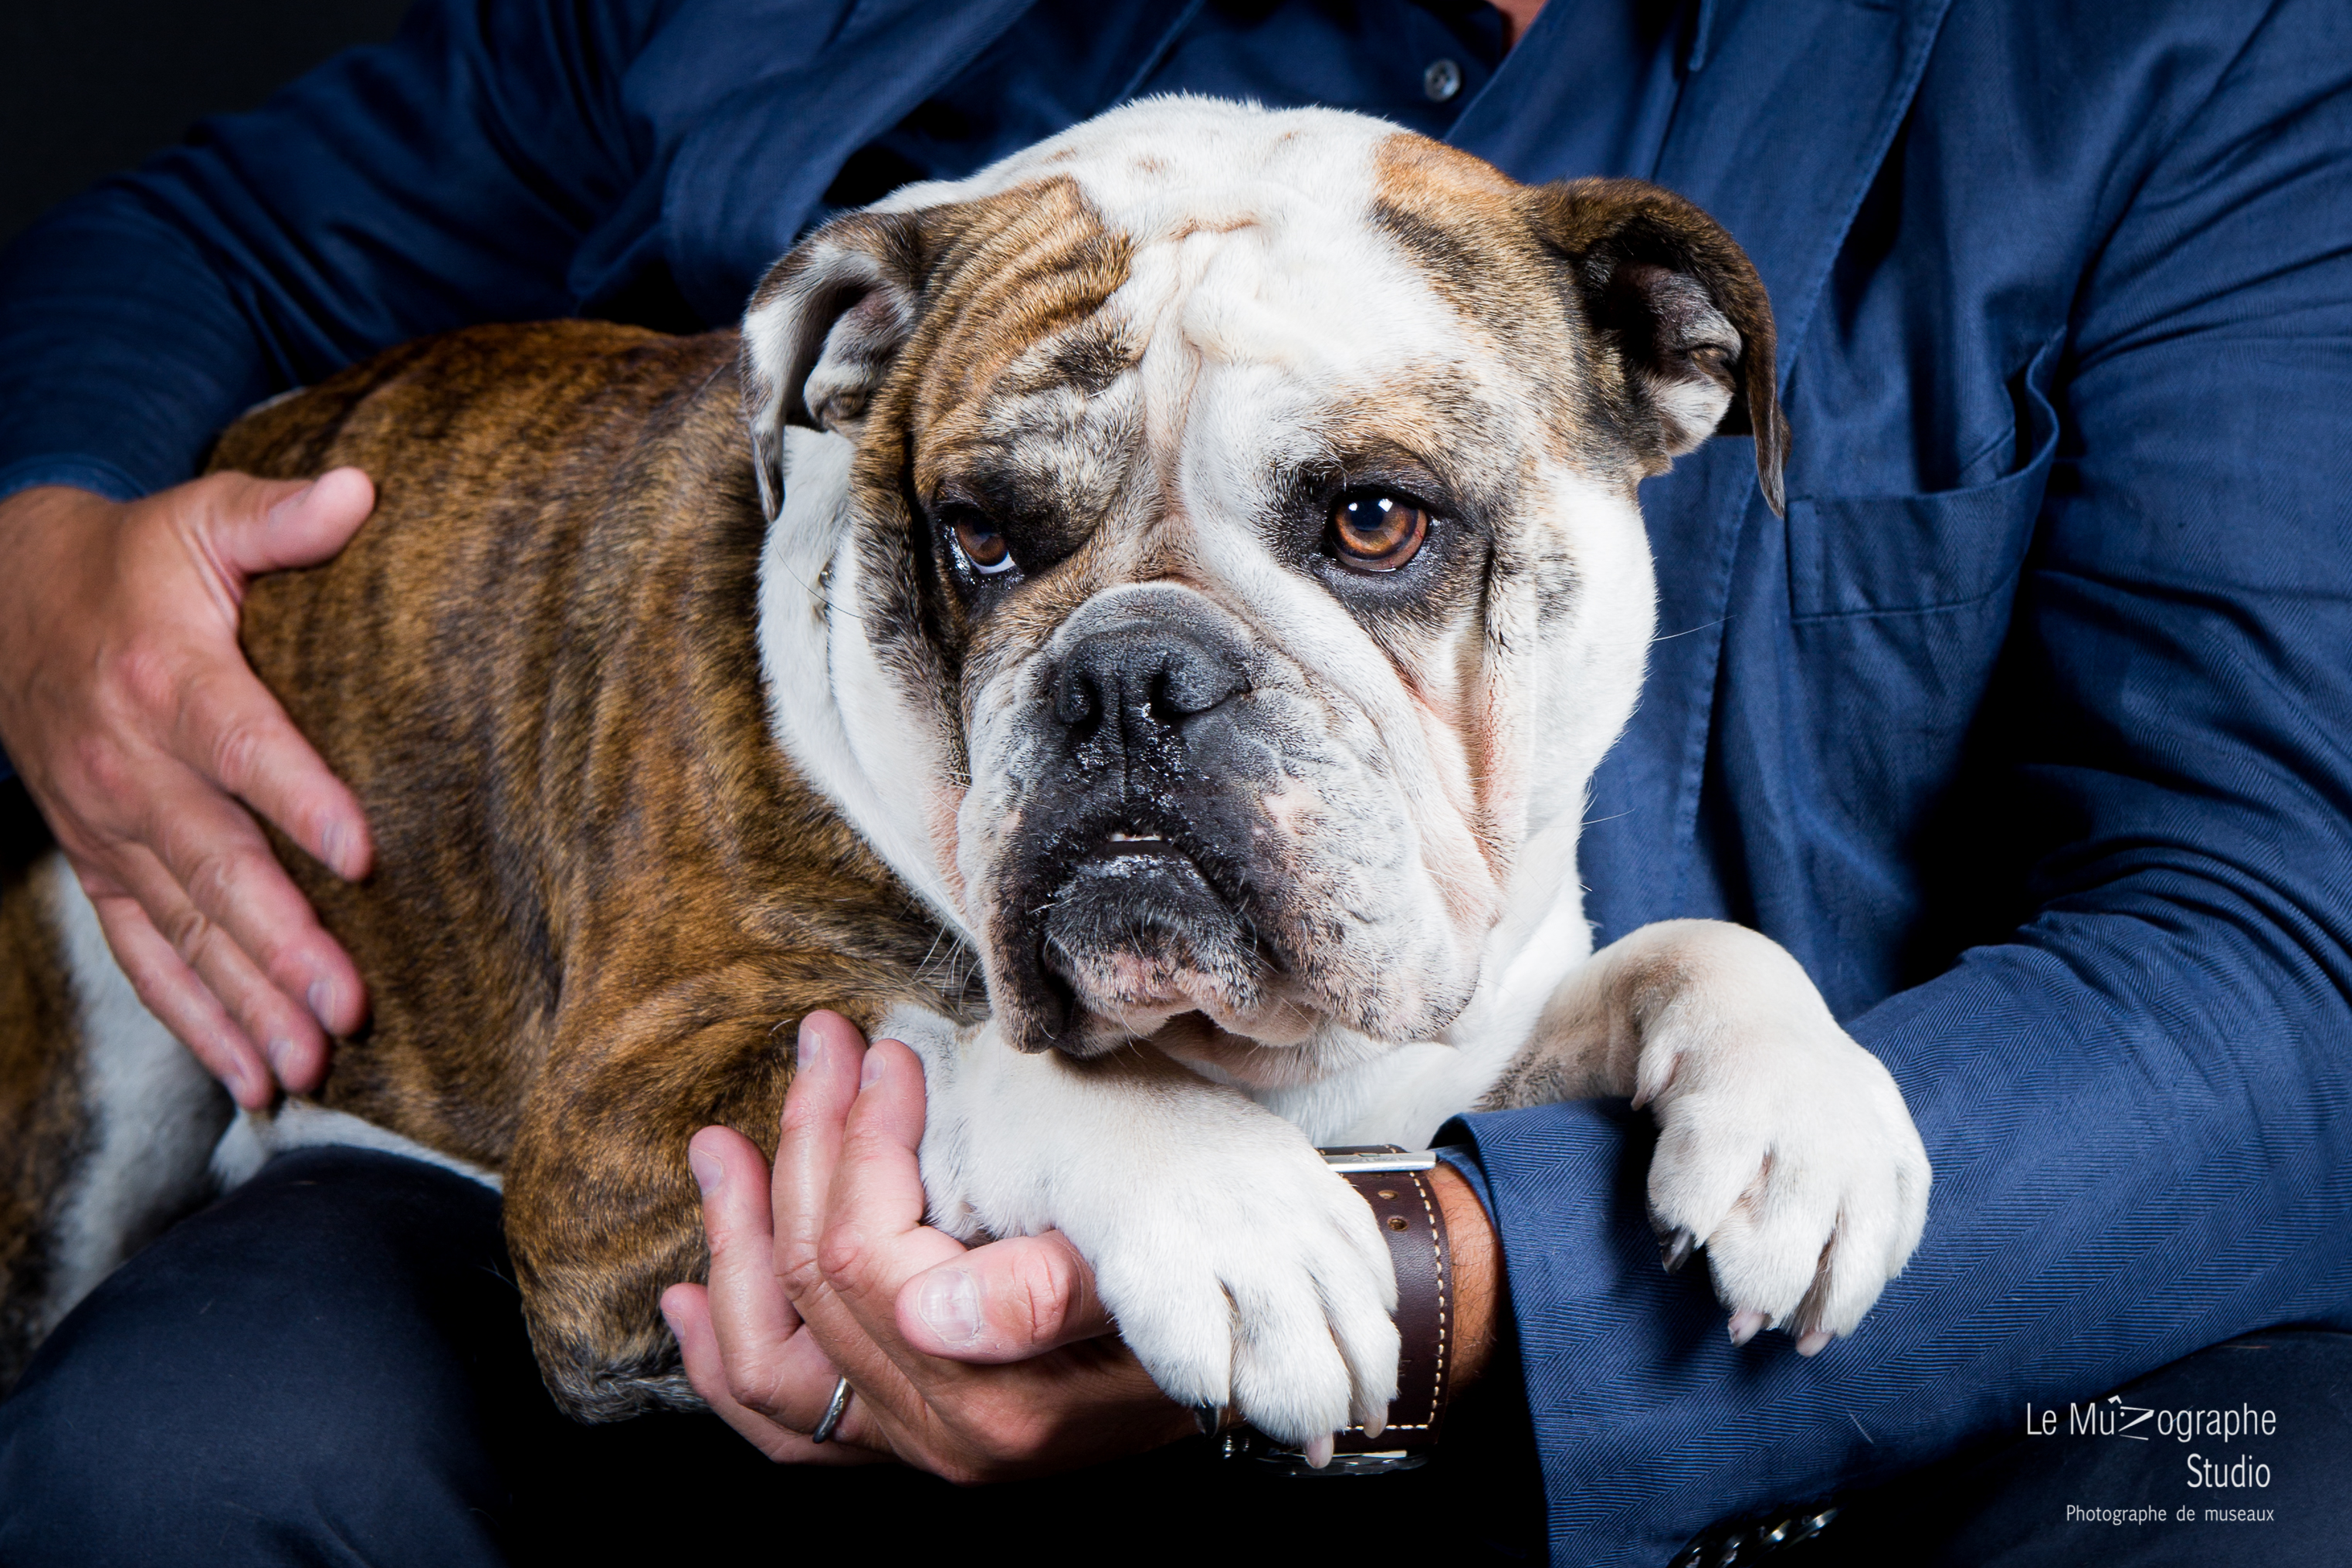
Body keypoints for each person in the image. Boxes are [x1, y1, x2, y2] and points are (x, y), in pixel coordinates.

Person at [2, 0, 2349, 1562]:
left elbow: (2295, 975)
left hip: (1699, 1369)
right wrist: (42, 562)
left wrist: (1482, 1277)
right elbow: (203, 233)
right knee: (170, 1444)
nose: (1143, 696)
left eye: (1371, 524)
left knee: (2256, 1503)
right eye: (1002, 543)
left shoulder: (2186, 55)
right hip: (667, 1220)